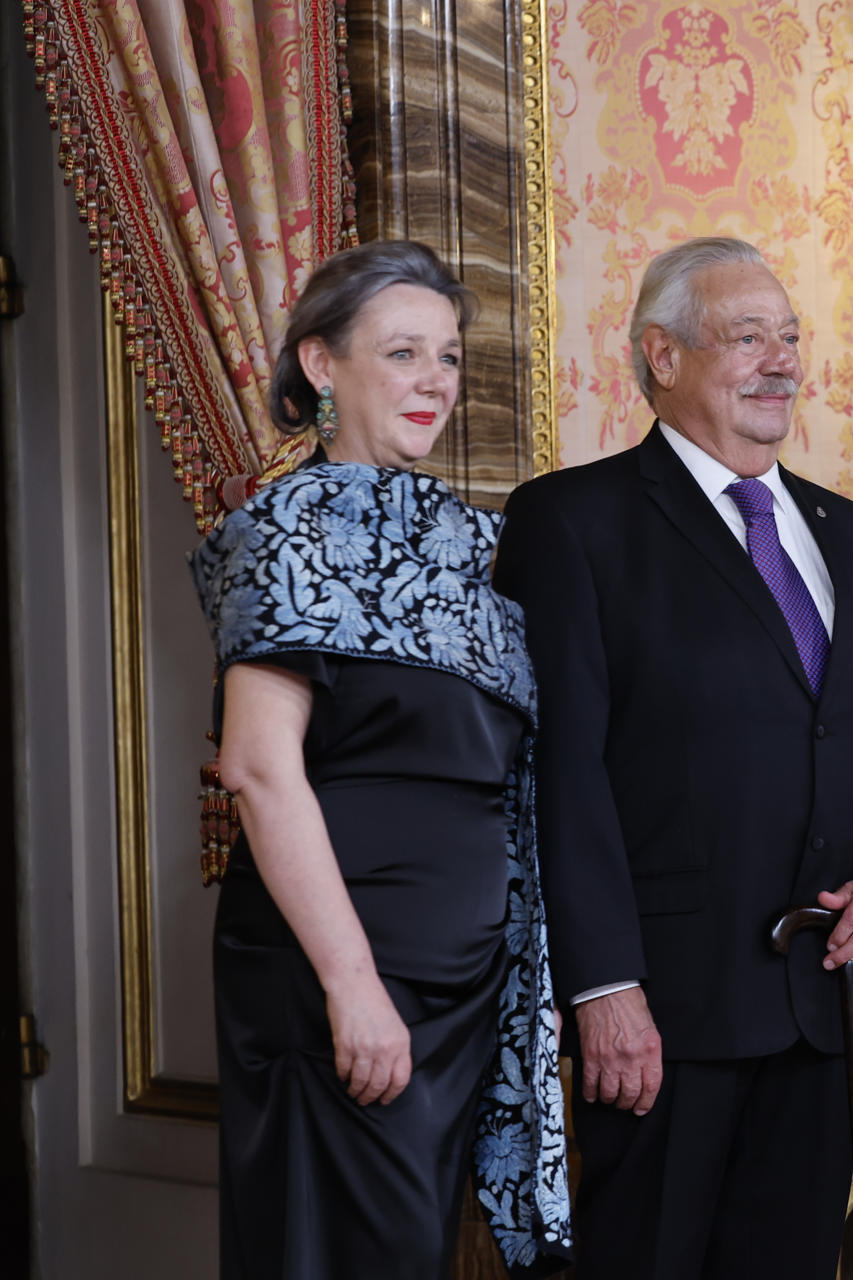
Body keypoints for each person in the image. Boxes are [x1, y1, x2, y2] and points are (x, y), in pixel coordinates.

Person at [493, 236, 853, 1279]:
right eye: (748, 338)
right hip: (662, 1018)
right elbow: (558, 776)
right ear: (662, 354)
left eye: (789, 337)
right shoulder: (574, 524)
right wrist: (604, 986)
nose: (781, 362)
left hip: (824, 1008)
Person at [190, 239, 570, 1279]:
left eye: (448, 357)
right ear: (321, 364)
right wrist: (353, 985)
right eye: (403, 353)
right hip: (338, 977)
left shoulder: (472, 544)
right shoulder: (282, 530)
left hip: (461, 985)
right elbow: (259, 769)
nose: (434, 382)